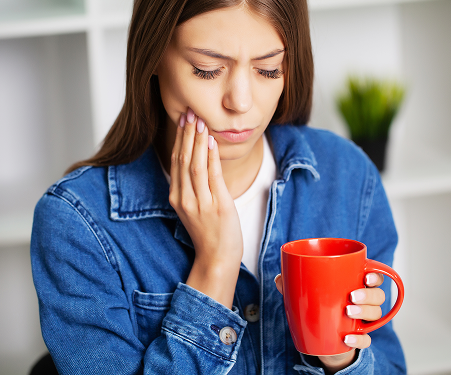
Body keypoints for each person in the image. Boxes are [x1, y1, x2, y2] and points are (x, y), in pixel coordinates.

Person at [30, 0, 406, 374]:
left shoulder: (347, 174)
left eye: (268, 69)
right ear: (154, 56)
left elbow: (389, 364)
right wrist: (216, 265)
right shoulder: (76, 222)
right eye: (207, 70)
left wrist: (342, 357)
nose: (241, 102)